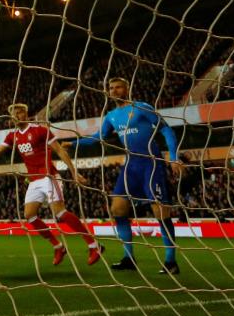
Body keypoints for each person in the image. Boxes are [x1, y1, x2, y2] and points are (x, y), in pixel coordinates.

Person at [68, 78, 185, 274]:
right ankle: (129, 258)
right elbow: (99, 136)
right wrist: (73, 144)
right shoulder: (112, 115)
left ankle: (170, 261)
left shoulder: (142, 108)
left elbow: (165, 129)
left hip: (151, 163)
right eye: (111, 88)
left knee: (160, 211)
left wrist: (173, 157)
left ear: (127, 88)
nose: (114, 90)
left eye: (118, 87)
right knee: (118, 208)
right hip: (130, 165)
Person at [0, 103, 102, 266]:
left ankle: (94, 245)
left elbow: (60, 150)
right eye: (14, 114)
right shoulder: (12, 136)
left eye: (20, 113)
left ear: (26, 114)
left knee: (60, 213)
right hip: (33, 180)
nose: (17, 116)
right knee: (29, 216)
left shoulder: (40, 130)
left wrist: (74, 172)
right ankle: (58, 246)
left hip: (49, 176)